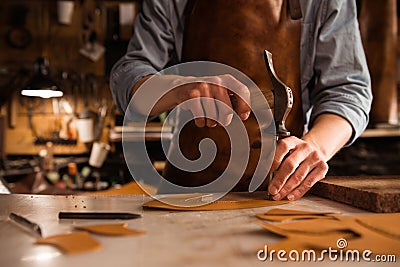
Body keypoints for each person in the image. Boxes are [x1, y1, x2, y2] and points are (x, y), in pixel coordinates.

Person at [110, 0, 372, 200]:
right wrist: (179, 87)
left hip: (284, 193)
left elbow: (348, 91)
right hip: (185, 196)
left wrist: (314, 146)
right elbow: (127, 77)